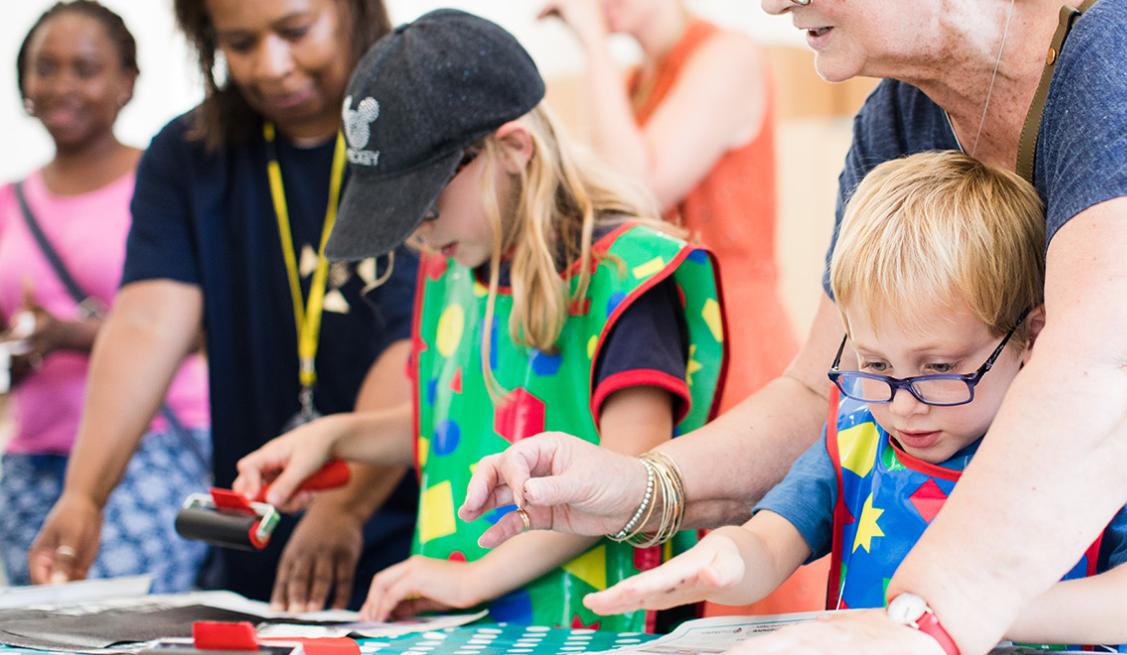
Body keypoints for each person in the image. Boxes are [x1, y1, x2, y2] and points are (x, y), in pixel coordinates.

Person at [458, 0, 1127, 652]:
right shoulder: (898, 119)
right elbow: (823, 389)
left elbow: (1123, 360)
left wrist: (928, 620)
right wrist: (640, 488)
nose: (773, 1)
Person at [583, 151, 1127, 650]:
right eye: (875, 364)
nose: (903, 404)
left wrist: (968, 613)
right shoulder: (858, 430)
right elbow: (767, 547)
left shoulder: (1079, 441)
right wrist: (726, 561)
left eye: (940, 367)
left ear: (1033, 336)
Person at [232, 9, 727, 632]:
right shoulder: (459, 274)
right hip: (473, 628)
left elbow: (631, 471)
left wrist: (471, 579)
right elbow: (455, 420)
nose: (415, 235)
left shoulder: (625, 278)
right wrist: (335, 437)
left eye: (426, 206)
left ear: (514, 149)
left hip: (593, 632)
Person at [28, 0, 419, 611]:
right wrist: (85, 495)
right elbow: (146, 324)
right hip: (255, 537)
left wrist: (348, 506)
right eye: (240, 43)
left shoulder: (416, 134)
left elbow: (415, 345)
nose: (272, 66)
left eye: (296, 32)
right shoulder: (189, 154)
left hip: (413, 540)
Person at [543, 0, 814, 614]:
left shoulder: (729, 56)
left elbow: (636, 191)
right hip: (672, 337)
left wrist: (588, 40)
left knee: (740, 574)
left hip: (735, 333)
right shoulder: (638, 81)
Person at [0, 0, 211, 593]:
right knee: (44, 627)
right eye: (46, 67)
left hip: (155, 444)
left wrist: (68, 335)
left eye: (84, 68)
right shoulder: (10, 203)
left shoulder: (161, 185)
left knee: (116, 614)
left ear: (126, 83)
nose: (61, 84)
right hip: (33, 455)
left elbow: (197, 327)